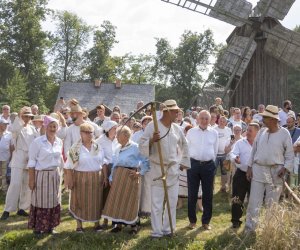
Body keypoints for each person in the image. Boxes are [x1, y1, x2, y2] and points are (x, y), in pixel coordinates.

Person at [139, 100, 190, 238]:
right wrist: (151, 141)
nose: (177, 113)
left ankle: (168, 229)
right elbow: (141, 145)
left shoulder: (176, 128)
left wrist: (184, 161)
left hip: (172, 170)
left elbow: (185, 144)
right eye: (175, 111)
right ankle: (156, 231)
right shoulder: (152, 126)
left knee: (172, 202)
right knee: (157, 203)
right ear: (166, 112)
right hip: (157, 168)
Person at [245, 105, 294, 232]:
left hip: (276, 172)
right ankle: (250, 228)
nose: (263, 120)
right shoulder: (261, 131)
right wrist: (249, 167)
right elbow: (254, 150)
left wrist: (285, 169)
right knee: (254, 201)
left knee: (271, 202)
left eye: (265, 118)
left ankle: (269, 229)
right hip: (258, 169)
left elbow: (289, 155)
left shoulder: (284, 133)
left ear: (273, 119)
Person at [102, 126, 149, 234]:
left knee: (131, 201)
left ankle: (134, 226)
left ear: (126, 136)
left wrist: (139, 173)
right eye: (116, 134)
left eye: (118, 134)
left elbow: (145, 161)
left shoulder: (135, 147)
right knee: (118, 200)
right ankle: (118, 225)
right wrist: (111, 177)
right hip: (118, 177)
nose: (116, 136)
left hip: (130, 177)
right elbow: (114, 164)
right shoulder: (117, 148)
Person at [65, 123, 107, 232]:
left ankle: (96, 224)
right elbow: (68, 166)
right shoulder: (74, 149)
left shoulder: (98, 147)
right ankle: (79, 226)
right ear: (81, 134)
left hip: (96, 178)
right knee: (79, 202)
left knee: (96, 201)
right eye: (86, 132)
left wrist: (105, 177)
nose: (89, 135)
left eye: (91, 133)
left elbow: (103, 163)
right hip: (80, 178)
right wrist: (70, 180)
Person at [1, 107, 39, 220]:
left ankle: (22, 208)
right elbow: (14, 129)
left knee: (27, 185)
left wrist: (32, 157)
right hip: (18, 157)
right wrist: (19, 115)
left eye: (29, 116)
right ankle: (8, 209)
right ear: (21, 116)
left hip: (29, 158)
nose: (27, 118)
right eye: (25, 116)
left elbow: (35, 144)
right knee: (15, 184)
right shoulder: (17, 127)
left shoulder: (33, 129)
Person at [27, 116, 64, 234]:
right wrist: (31, 180)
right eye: (50, 126)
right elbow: (31, 162)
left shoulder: (59, 141)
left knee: (53, 200)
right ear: (45, 127)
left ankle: (50, 227)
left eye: (55, 126)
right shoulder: (37, 142)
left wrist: (63, 175)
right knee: (41, 201)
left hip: (55, 175)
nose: (53, 129)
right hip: (41, 176)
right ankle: (38, 228)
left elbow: (61, 159)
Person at [186, 110, 218, 230]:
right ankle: (192, 221)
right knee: (192, 194)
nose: (204, 120)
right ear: (198, 119)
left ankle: (206, 222)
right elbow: (186, 147)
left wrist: (211, 164)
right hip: (193, 165)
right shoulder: (191, 132)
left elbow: (215, 150)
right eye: (202, 118)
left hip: (208, 166)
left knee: (208, 194)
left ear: (210, 120)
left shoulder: (214, 133)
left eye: (206, 118)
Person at [230, 123, 259, 228]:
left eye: (250, 130)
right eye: (247, 130)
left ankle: (251, 220)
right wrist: (235, 158)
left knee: (254, 199)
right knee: (237, 198)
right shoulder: (240, 143)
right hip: (241, 174)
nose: (247, 132)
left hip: (256, 176)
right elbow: (232, 153)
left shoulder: (260, 143)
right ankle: (235, 220)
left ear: (257, 132)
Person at [95, 120, 118, 229]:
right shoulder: (100, 141)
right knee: (104, 195)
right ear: (108, 130)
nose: (116, 131)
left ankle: (114, 219)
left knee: (114, 195)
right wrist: (105, 175)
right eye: (114, 129)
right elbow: (101, 158)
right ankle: (103, 220)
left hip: (116, 168)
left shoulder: (117, 140)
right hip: (105, 168)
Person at [214, 116, 232, 192]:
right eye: (221, 121)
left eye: (224, 121)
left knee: (224, 171)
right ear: (218, 121)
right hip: (215, 155)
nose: (222, 122)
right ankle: (212, 187)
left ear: (226, 122)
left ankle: (223, 187)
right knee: (213, 172)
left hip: (225, 155)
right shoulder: (214, 129)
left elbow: (232, 140)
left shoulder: (229, 130)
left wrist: (229, 148)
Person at [0, 118, 13, 191]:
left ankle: (4, 189)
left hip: (5, 157)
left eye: (6, 125)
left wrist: (11, 157)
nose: (5, 126)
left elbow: (12, 147)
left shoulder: (9, 134)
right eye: (4, 124)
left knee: (4, 174)